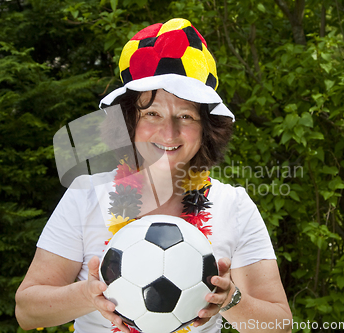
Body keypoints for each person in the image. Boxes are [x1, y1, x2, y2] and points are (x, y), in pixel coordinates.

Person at [15, 18, 292, 333]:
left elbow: (279, 325)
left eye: (185, 116)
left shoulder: (234, 205)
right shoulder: (87, 193)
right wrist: (88, 294)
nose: (169, 132)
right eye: (152, 114)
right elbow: (27, 311)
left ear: (207, 128)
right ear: (129, 121)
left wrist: (232, 301)